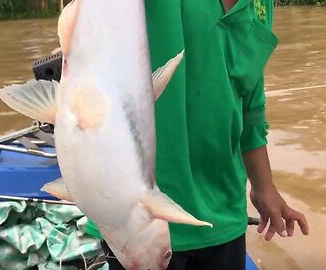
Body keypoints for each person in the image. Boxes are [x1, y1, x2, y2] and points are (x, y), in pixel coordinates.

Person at [84, 0, 309, 269]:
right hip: (138, 223)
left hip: (224, 215)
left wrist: (263, 186)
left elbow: (249, 101)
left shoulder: (260, 5)